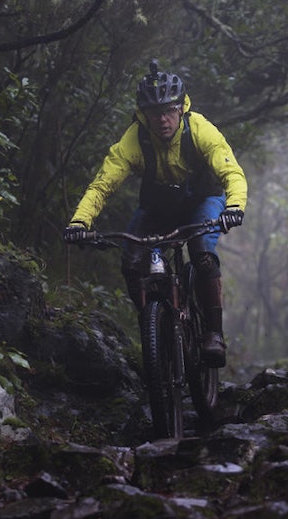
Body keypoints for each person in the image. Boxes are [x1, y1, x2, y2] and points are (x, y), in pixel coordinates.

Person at [63, 60, 246, 367]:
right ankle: (153, 330)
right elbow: (102, 185)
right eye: (154, 113)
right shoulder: (134, 140)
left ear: (180, 109)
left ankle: (213, 334)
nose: (162, 119)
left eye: (169, 111)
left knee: (201, 254)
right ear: (143, 115)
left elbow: (232, 173)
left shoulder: (200, 130)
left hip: (203, 201)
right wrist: (80, 221)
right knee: (132, 262)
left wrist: (234, 208)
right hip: (159, 208)